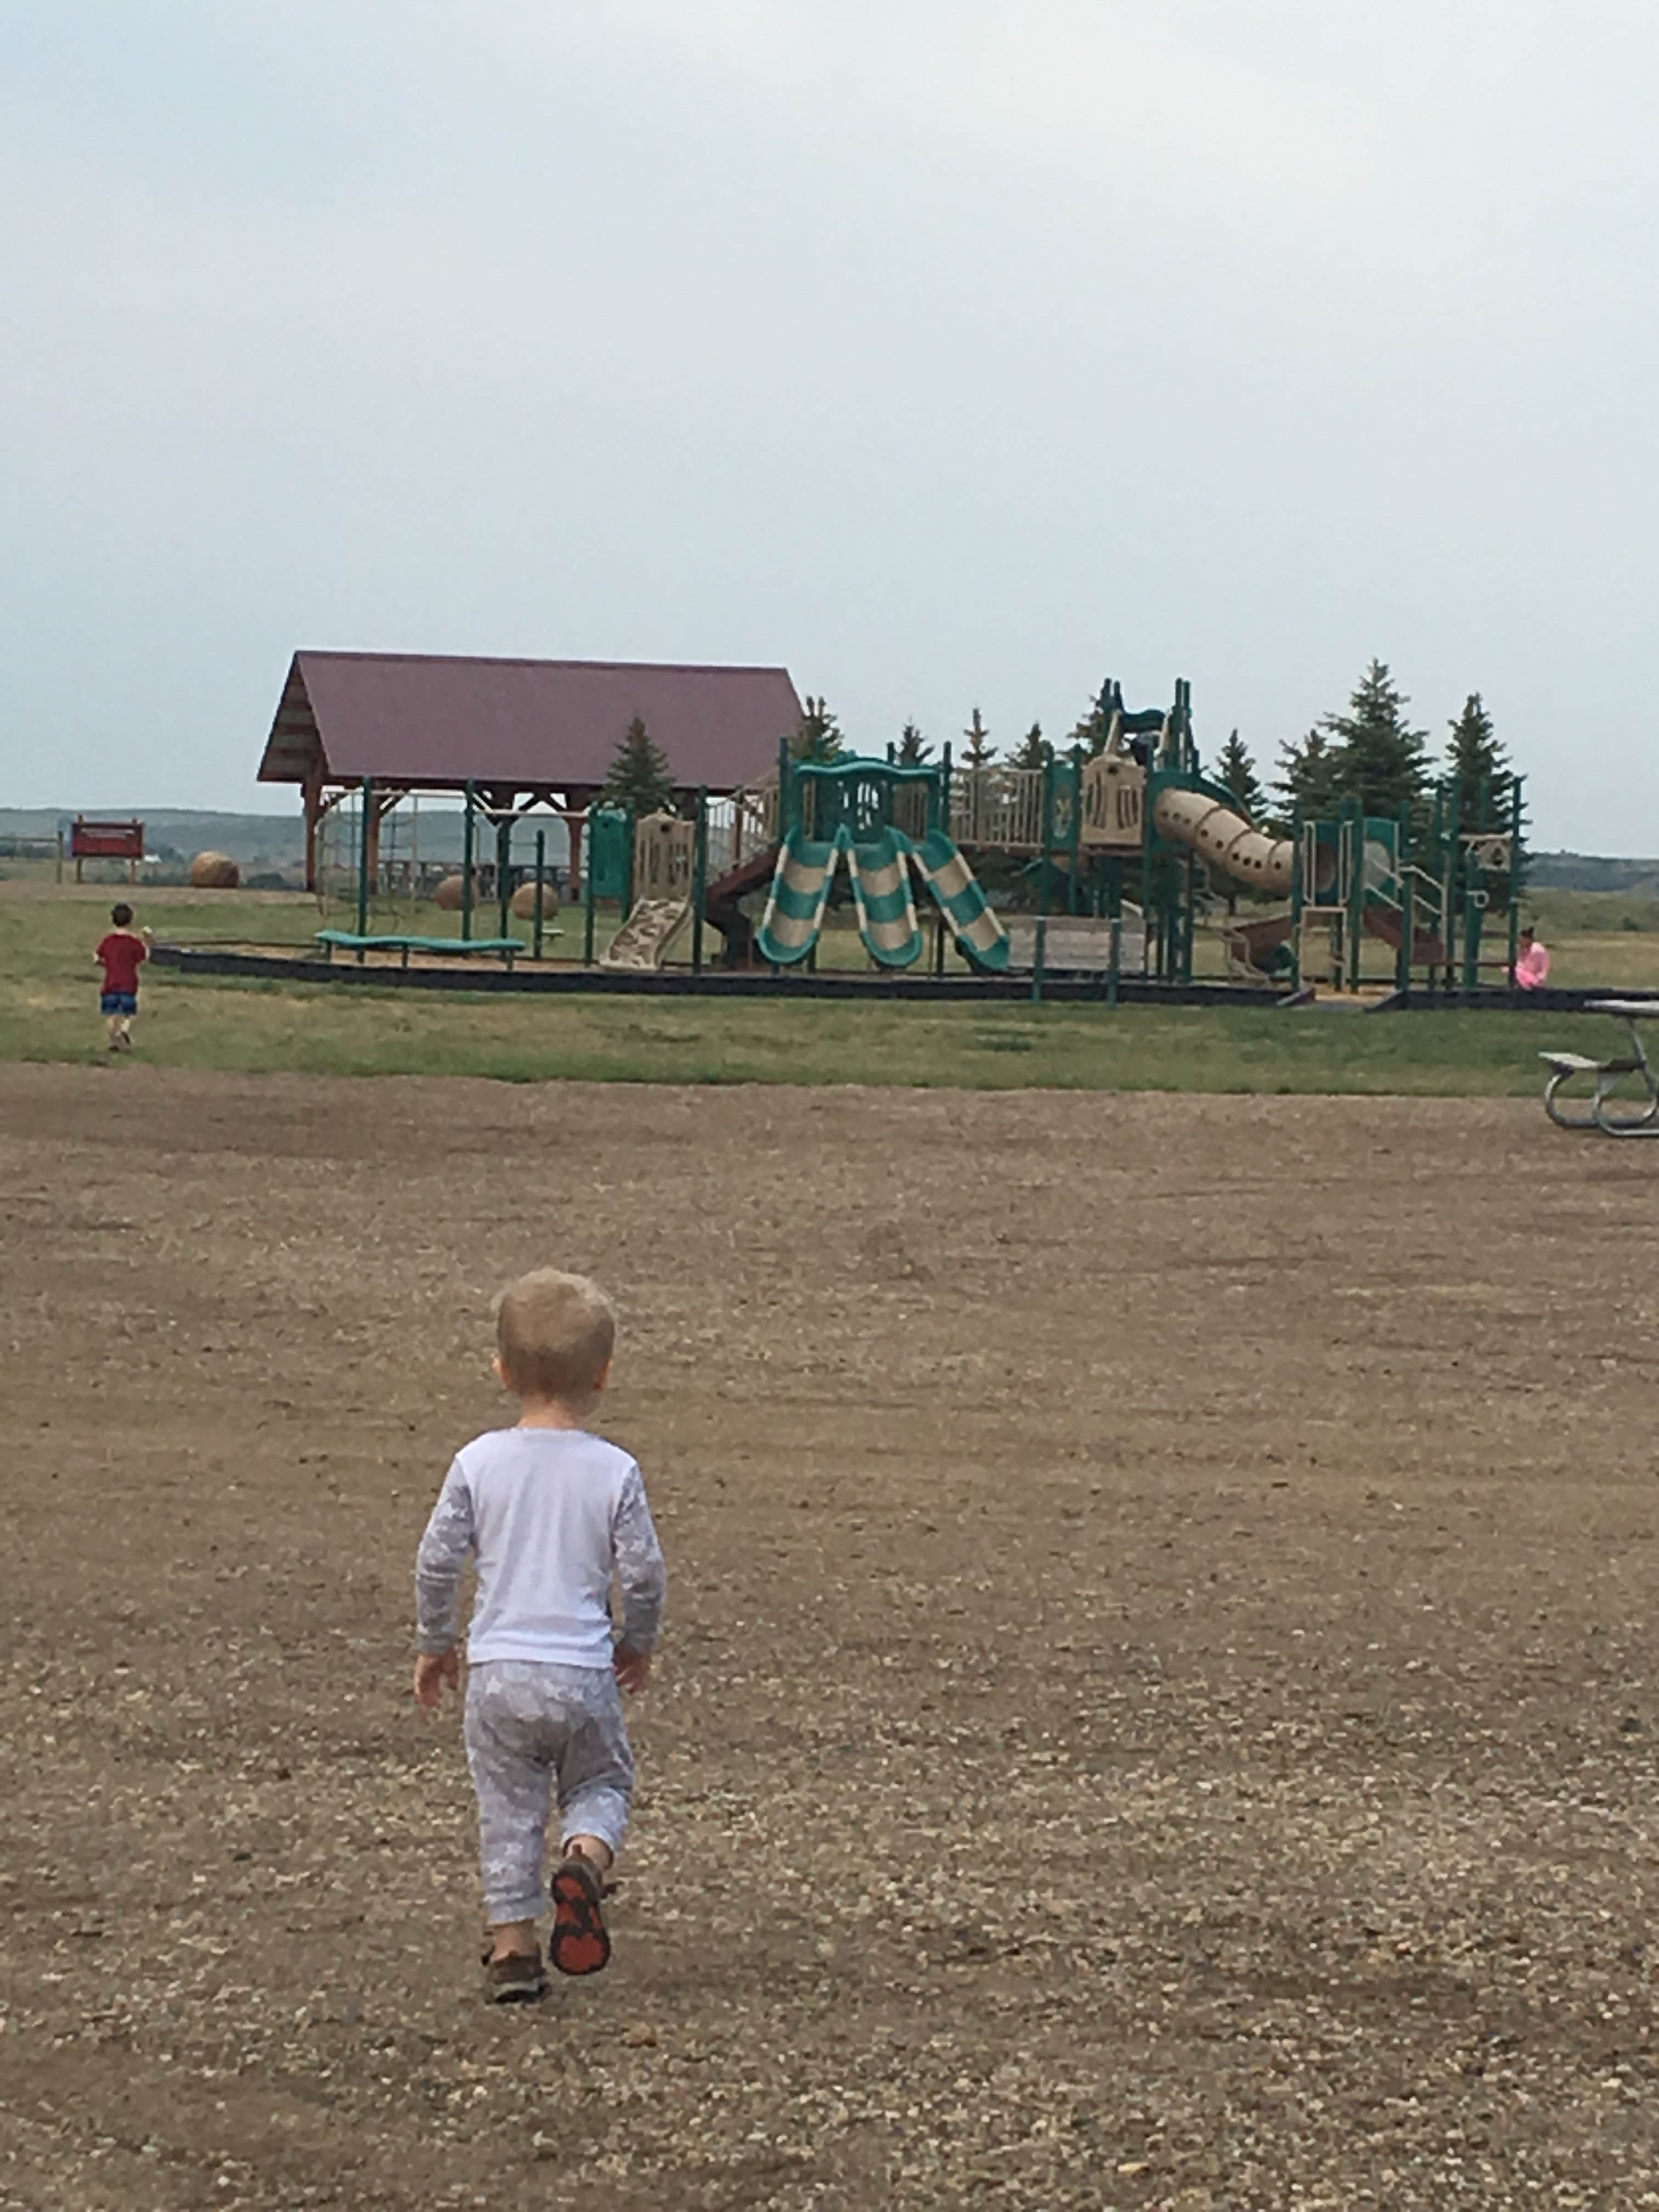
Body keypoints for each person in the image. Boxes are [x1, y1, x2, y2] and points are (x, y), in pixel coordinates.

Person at [413, 1269, 666, 2004]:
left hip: (499, 1670)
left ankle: (514, 1952)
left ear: (501, 1371)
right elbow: (644, 1572)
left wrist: (437, 1641)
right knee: (601, 1782)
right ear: (605, 1375)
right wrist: (637, 1641)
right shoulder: (615, 1470)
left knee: (508, 1805)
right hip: (581, 1669)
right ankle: (584, 1859)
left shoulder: (477, 1463)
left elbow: (437, 1561)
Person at [94, 903, 154, 1052]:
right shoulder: (134, 942)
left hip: (111, 983)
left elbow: (97, 958)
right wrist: (147, 943)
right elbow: (144, 957)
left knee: (111, 1014)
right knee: (128, 1013)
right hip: (129, 983)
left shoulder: (108, 941)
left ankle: (113, 1041)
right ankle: (124, 1030)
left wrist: (107, 965)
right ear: (130, 920)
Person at [1514, 926, 1550, 991]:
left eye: (1522, 941)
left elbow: (1542, 968)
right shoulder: (1526, 951)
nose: (1520, 943)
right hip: (1529, 976)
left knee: (1516, 971)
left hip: (1535, 980)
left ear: (1528, 940)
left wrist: (1540, 978)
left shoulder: (1537, 950)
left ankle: (1525, 987)